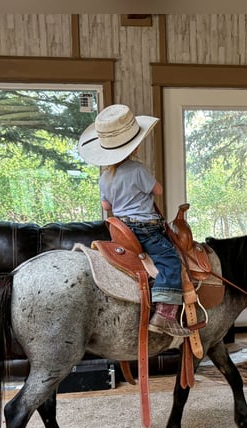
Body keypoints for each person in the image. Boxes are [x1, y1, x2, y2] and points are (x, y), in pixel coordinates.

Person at [78, 104, 191, 338]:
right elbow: (157, 190)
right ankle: (165, 314)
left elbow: (106, 206)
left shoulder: (104, 177)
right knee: (169, 259)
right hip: (145, 228)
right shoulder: (138, 170)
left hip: (122, 229)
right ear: (134, 147)